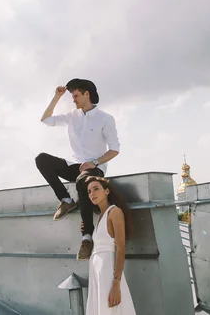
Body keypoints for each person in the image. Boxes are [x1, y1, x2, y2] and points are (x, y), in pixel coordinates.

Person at [35, 78, 121, 260]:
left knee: (83, 179)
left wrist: (95, 163)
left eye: (75, 95)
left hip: (94, 169)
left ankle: (87, 238)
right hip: (74, 165)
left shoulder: (105, 118)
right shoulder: (72, 116)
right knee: (42, 159)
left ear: (86, 94)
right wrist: (56, 97)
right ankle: (66, 200)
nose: (73, 99)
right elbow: (46, 119)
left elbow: (114, 149)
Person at [84, 176, 136, 314]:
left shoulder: (115, 212)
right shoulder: (100, 216)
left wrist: (116, 284)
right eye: (89, 191)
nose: (92, 193)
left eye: (96, 189)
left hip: (108, 272)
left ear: (106, 191)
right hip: (97, 272)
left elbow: (120, 248)